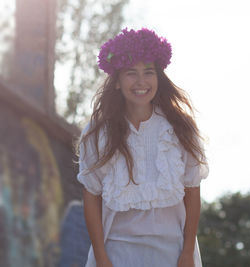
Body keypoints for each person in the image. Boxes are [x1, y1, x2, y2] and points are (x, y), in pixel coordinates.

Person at [75, 28, 209, 267]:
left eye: (148, 72)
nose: (141, 81)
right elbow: (91, 197)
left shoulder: (180, 128)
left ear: (158, 77)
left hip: (173, 252)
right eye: (131, 73)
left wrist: (188, 252)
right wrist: (101, 258)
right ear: (116, 81)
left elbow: (192, 191)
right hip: (117, 252)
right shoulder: (97, 133)